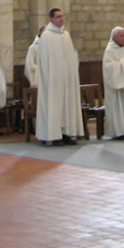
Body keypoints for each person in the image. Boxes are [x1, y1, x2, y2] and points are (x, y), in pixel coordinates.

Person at [35, 8, 85, 145]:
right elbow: (44, 60)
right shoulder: (46, 36)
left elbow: (70, 57)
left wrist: (71, 74)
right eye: (58, 17)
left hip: (66, 80)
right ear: (51, 19)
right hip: (53, 80)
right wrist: (50, 77)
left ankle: (67, 133)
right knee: (54, 106)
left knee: (67, 105)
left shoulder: (66, 35)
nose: (61, 19)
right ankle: (53, 135)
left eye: (62, 16)